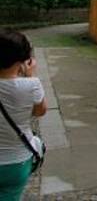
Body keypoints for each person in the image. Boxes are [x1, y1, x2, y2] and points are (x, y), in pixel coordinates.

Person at [0, 29, 47, 201]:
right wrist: (29, 75)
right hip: (16, 162)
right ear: (24, 59)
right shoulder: (32, 84)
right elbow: (40, 111)